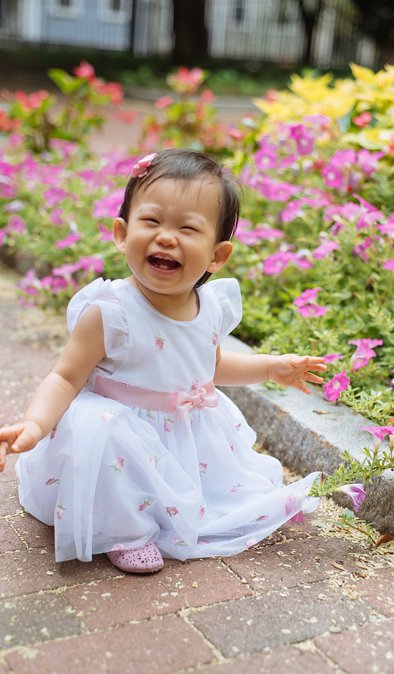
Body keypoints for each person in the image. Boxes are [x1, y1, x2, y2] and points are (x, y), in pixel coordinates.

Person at [0, 149, 330, 573]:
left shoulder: (209, 306)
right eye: (152, 221)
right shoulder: (111, 312)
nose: (166, 238)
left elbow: (208, 367)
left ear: (217, 256)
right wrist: (35, 424)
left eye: (187, 228)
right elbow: (65, 378)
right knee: (107, 433)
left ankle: (187, 505)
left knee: (219, 496)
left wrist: (269, 368)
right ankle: (125, 531)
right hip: (117, 440)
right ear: (122, 233)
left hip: (182, 434)